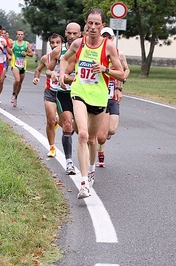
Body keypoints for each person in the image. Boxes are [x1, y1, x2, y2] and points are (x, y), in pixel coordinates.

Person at [58, 8, 125, 199]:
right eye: (90, 23)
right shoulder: (79, 43)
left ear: (103, 25)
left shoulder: (109, 47)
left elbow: (121, 74)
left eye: (97, 23)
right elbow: (64, 59)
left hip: (99, 97)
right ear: (85, 24)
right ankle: (84, 182)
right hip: (79, 91)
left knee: (92, 140)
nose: (93, 27)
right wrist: (63, 74)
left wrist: (105, 69)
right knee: (82, 135)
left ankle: (92, 168)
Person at [46, 22, 81, 175]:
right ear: (65, 33)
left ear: (80, 34)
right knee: (67, 124)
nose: (72, 36)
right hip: (63, 93)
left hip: (81, 94)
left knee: (81, 130)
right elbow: (48, 69)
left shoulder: (86, 50)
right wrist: (53, 74)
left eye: (75, 33)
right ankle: (69, 162)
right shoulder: (58, 51)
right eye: (70, 33)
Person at [96, 27, 130, 167]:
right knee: (101, 134)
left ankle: (103, 135)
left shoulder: (119, 54)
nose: (106, 39)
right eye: (104, 36)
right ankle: (100, 152)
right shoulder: (96, 52)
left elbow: (125, 70)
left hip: (113, 94)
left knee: (112, 130)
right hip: (99, 95)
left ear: (112, 38)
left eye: (109, 37)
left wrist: (119, 87)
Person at [33, 33, 64, 158]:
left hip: (64, 91)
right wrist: (36, 78)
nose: (55, 45)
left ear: (62, 43)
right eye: (52, 42)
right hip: (50, 91)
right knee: (50, 120)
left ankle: (58, 120)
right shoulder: (46, 58)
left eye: (58, 42)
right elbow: (38, 69)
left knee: (64, 122)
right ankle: (52, 147)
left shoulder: (68, 56)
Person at [10, 29, 33, 107]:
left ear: (23, 35)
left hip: (23, 65)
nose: (20, 36)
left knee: (20, 83)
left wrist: (26, 53)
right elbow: (8, 51)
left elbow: (31, 54)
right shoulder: (13, 43)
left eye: (21, 34)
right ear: (16, 35)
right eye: (18, 34)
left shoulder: (26, 44)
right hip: (15, 64)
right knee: (17, 80)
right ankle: (13, 93)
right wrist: (10, 54)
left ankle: (16, 97)